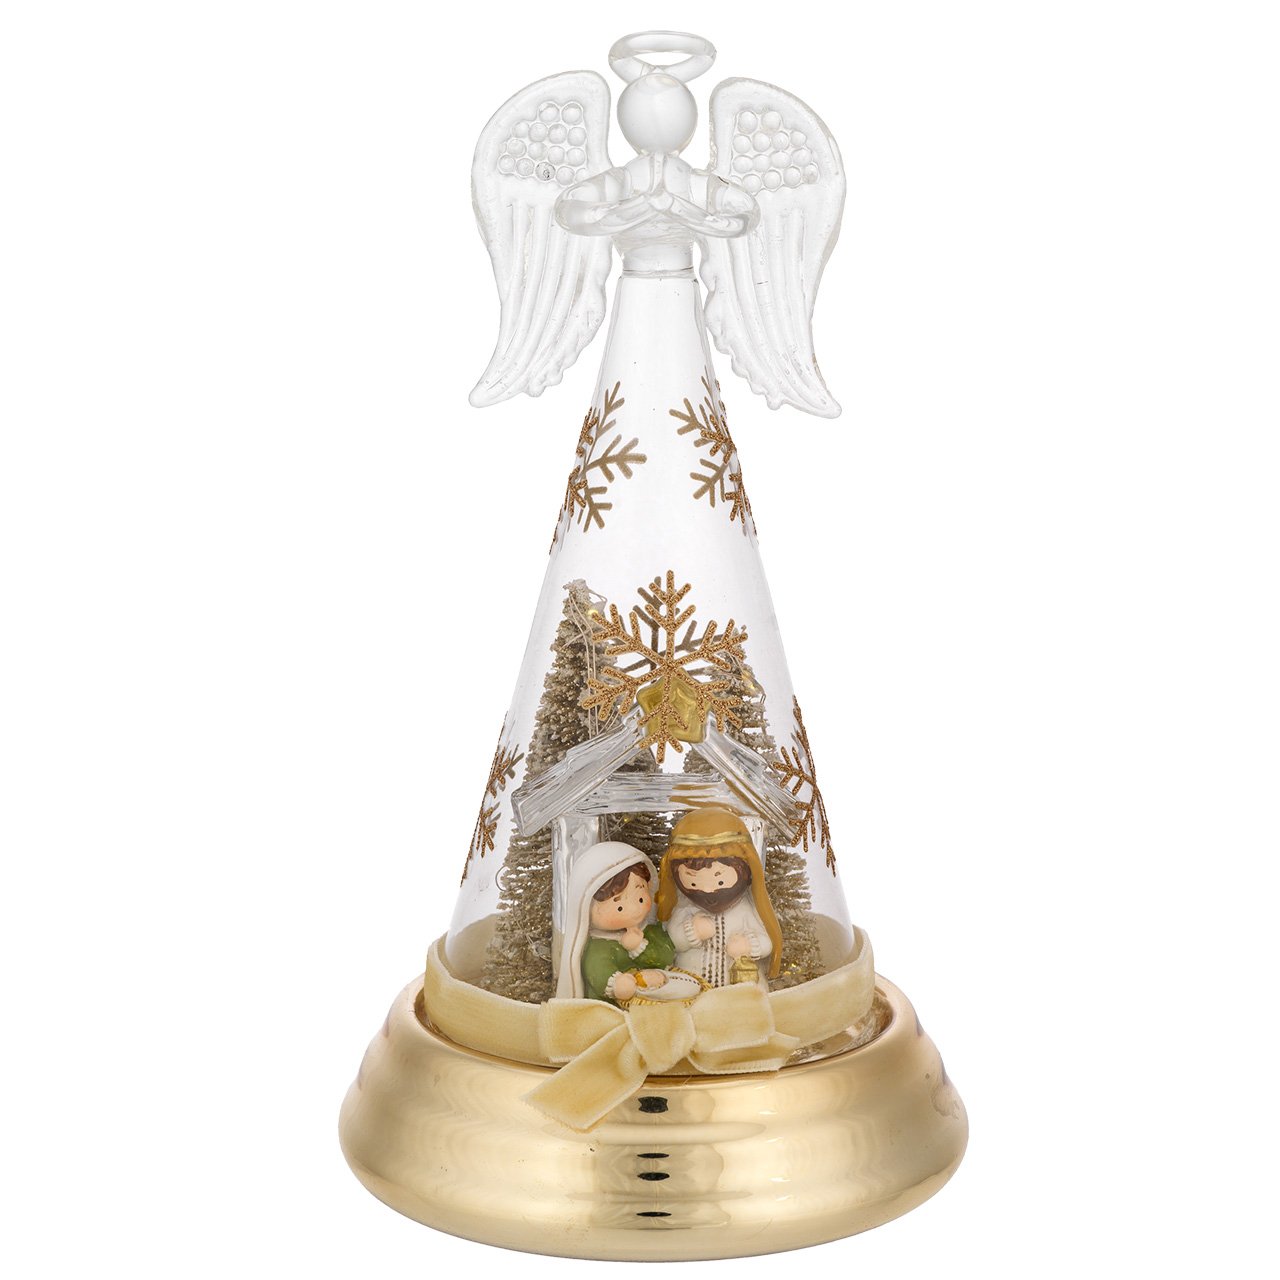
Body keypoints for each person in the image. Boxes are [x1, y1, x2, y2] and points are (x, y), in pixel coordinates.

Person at [657, 808, 783, 988]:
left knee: (752, 993)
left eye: (720, 881)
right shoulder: (684, 908)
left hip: (736, 986)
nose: (708, 891)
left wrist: (749, 945)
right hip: (691, 982)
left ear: (746, 872)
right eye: (693, 883)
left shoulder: (745, 909)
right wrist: (691, 932)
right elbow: (671, 941)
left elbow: (766, 942)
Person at [555, 841, 676, 1004]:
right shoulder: (599, 946)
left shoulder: (649, 930)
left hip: (656, 1003)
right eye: (619, 907)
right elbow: (599, 972)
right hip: (613, 1010)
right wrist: (620, 985)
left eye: (640, 899)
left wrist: (639, 946)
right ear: (586, 907)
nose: (634, 910)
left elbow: (666, 955)